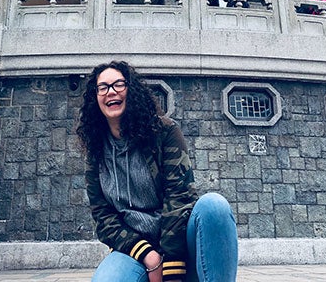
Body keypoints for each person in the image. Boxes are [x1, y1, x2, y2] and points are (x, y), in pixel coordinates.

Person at [77, 61, 238, 282]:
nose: (111, 91)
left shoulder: (164, 132)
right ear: (95, 97)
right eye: (102, 87)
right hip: (135, 250)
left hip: (180, 242)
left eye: (118, 84)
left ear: (131, 89)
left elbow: (179, 197)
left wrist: (171, 268)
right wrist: (148, 256)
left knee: (214, 206)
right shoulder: (95, 149)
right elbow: (103, 217)